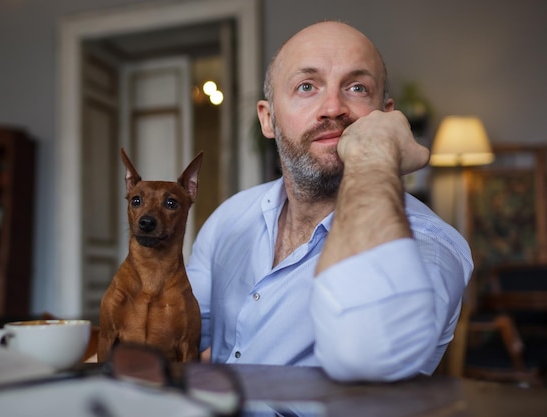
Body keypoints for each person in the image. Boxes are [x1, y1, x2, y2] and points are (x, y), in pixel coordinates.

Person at [186, 20, 473, 382]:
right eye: (307, 86)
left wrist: (372, 153)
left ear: (387, 116)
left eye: (357, 87)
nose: (334, 108)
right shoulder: (229, 218)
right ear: (268, 118)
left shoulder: (429, 243)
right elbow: (181, 337)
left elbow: (366, 354)